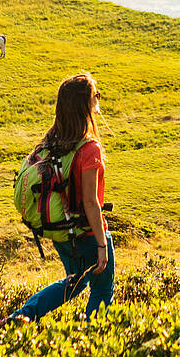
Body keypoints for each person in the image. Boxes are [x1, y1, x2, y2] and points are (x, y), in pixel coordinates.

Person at [10, 72, 113, 320]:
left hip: (63, 232)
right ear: (83, 105)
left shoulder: (51, 141)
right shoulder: (89, 148)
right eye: (95, 96)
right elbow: (91, 202)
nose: (98, 100)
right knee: (102, 289)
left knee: (73, 283)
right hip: (87, 233)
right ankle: (92, 340)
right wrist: (101, 244)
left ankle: (21, 317)